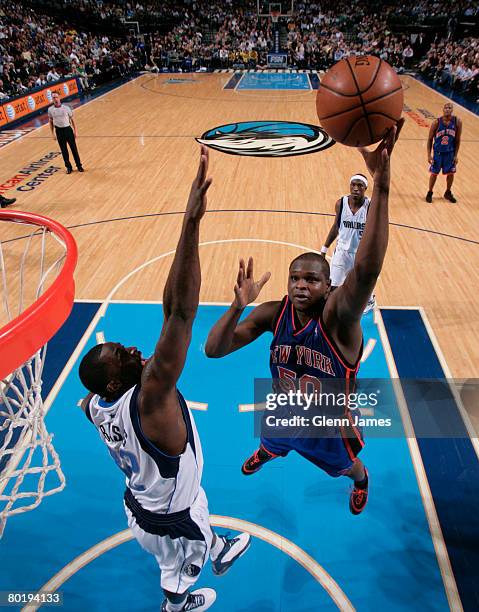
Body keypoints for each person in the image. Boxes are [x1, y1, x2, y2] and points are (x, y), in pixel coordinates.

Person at [78, 147, 250, 612]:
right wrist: (191, 222)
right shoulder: (150, 394)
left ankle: (215, 545)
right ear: (115, 384)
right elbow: (180, 311)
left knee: (196, 495)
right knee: (178, 572)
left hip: (143, 502)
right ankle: (177, 604)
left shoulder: (97, 404)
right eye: (121, 356)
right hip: (169, 520)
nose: (132, 349)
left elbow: (167, 308)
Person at [205, 121, 403, 516]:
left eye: (311, 279)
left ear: (329, 286)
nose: (300, 285)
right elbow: (214, 350)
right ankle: (268, 452)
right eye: (294, 278)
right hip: (284, 407)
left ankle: (362, 481)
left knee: (346, 467)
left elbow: (367, 268)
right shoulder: (274, 313)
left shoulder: (338, 319)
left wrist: (381, 183)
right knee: (274, 439)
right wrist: (237, 307)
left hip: (331, 421)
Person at [320, 173, 375, 313]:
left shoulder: (370, 207)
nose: (356, 188)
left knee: (361, 285)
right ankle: (329, 311)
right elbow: (336, 227)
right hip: (342, 252)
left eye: (360, 185)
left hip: (360, 254)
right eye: (353, 185)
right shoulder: (341, 203)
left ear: (365, 188)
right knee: (332, 285)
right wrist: (324, 248)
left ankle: (370, 299)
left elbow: (374, 233)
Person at [426, 103, 461, 203]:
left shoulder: (457, 122)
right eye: (446, 107)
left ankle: (448, 192)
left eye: (450, 108)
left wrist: (455, 155)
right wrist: (429, 155)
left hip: (450, 153)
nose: (447, 109)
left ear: (452, 110)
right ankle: (430, 192)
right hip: (438, 153)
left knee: (451, 174)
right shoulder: (436, 123)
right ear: (443, 109)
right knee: (434, 174)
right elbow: (429, 140)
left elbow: (457, 140)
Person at [48, 91, 84, 174]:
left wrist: (75, 131)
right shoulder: (50, 110)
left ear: (59, 97)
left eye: (56, 97)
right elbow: (50, 121)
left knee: (74, 149)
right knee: (64, 150)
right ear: (52, 99)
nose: (55, 99)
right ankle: (68, 167)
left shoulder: (66, 108)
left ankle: (79, 166)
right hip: (59, 131)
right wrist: (52, 133)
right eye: (53, 97)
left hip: (68, 129)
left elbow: (72, 120)